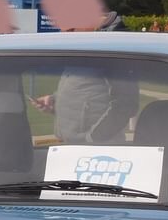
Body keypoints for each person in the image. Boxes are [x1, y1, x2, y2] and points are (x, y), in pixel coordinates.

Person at [31, 10, 137, 144]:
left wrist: (92, 138)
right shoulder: (84, 46)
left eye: (70, 30)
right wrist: (55, 101)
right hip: (73, 148)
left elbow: (125, 104)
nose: (65, 36)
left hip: (97, 154)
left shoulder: (112, 49)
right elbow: (86, 90)